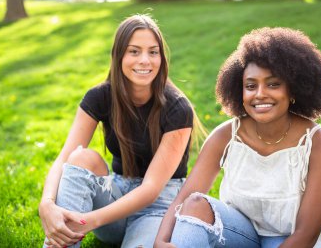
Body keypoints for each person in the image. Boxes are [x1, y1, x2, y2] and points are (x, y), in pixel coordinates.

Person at [154, 27, 321, 248]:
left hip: (290, 240)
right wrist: (160, 241)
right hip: (240, 233)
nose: (260, 94)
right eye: (250, 86)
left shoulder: (318, 144)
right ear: (239, 91)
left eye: (273, 84)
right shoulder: (226, 136)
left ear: (293, 91)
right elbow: (183, 200)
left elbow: (305, 235)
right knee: (195, 204)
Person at [38, 14, 203, 248]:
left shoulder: (178, 108)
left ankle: (73, 232)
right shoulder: (100, 97)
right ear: (119, 55)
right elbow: (64, 158)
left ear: (162, 57)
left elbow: (150, 190)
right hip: (116, 194)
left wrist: (89, 221)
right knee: (80, 157)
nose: (145, 60)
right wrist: (46, 203)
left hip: (157, 205)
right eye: (134, 51)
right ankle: (60, 243)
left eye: (153, 52)